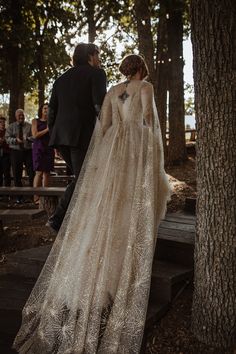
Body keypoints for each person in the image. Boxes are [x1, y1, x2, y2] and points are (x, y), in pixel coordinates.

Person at [13, 54, 171, 353]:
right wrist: (151, 153)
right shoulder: (146, 88)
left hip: (113, 148)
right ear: (140, 69)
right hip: (136, 146)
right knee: (130, 195)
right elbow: (150, 122)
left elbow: (107, 124)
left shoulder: (112, 91)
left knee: (110, 195)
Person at [46, 42, 107, 233]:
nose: (99, 58)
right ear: (90, 56)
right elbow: (100, 106)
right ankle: (56, 219)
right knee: (84, 178)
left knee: (86, 176)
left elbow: (52, 111)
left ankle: (82, 220)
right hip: (81, 135)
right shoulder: (97, 74)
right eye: (97, 54)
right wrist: (108, 131)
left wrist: (55, 138)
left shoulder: (60, 79)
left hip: (60, 136)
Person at [5, 109, 34, 203]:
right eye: (19, 115)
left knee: (31, 173)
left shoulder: (29, 126)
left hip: (28, 151)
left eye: (22, 115)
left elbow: (35, 137)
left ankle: (32, 195)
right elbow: (7, 139)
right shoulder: (11, 126)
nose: (21, 117)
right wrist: (15, 140)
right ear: (16, 116)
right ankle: (19, 197)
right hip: (15, 152)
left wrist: (28, 138)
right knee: (17, 175)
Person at [32, 103, 55, 204]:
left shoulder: (52, 122)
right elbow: (35, 135)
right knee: (39, 172)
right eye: (45, 108)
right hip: (38, 149)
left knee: (47, 173)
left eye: (48, 109)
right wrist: (47, 129)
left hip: (49, 149)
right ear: (41, 110)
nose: (46, 110)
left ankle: (46, 197)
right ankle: (36, 197)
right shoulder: (35, 121)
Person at [0, 116, 11, 188]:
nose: (2, 123)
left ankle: (8, 194)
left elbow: (10, 143)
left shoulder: (8, 131)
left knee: (7, 173)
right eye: (0, 122)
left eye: (4, 122)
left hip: (6, 155)